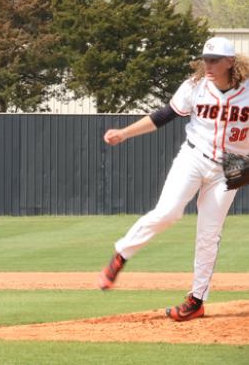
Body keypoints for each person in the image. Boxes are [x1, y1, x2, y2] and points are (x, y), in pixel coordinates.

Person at [99, 36, 249, 321]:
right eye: (206, 58)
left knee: (209, 234)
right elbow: (163, 115)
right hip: (194, 156)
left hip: (233, 166)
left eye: (215, 59)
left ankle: (196, 300)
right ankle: (121, 253)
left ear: (231, 62)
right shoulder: (195, 87)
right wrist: (124, 133)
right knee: (168, 212)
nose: (208, 64)